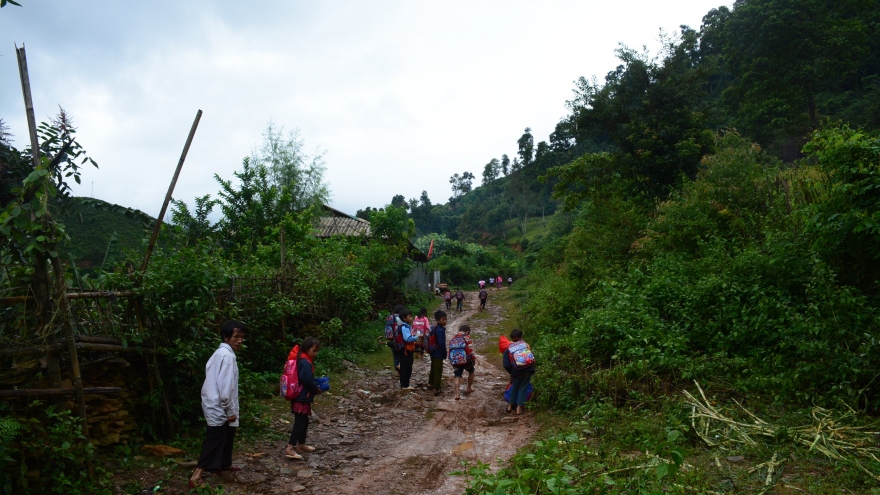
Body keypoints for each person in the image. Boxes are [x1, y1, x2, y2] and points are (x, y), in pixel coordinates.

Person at [190, 321, 245, 488]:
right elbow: (225, 388)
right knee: (215, 437)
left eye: (242, 337)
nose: (240, 340)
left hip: (214, 401)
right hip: (219, 404)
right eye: (236, 337)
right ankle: (197, 475)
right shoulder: (227, 357)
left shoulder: (220, 353)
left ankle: (223, 464)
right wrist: (229, 410)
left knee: (228, 434)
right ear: (226, 337)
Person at [284, 337, 324, 461]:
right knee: (300, 422)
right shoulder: (305, 362)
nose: (316, 354)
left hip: (299, 395)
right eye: (314, 351)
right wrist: (315, 389)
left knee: (304, 421)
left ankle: (301, 445)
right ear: (307, 349)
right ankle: (290, 448)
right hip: (301, 396)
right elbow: (305, 379)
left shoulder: (301, 359)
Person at [503, 329, 535, 415]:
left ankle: (510, 406)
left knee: (514, 387)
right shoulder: (526, 345)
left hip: (516, 371)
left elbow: (506, 364)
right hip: (528, 369)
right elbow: (530, 358)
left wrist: (511, 372)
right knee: (523, 388)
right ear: (522, 337)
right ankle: (519, 408)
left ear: (512, 338)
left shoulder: (509, 349)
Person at [448, 325, 476, 400]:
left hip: (456, 361)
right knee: (471, 371)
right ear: (467, 332)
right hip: (466, 361)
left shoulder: (453, 338)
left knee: (457, 376)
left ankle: (457, 394)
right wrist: (473, 359)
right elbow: (470, 350)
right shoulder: (467, 338)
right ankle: (469, 388)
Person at [397, 309, 420, 390]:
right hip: (406, 350)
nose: (411, 318)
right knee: (406, 367)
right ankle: (405, 385)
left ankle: (404, 384)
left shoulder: (403, 327)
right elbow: (407, 339)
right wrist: (416, 337)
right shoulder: (404, 328)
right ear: (404, 318)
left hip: (404, 350)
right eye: (409, 316)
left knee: (405, 367)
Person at [427, 310, 447, 395]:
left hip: (432, 351)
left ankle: (430, 383)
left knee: (433, 368)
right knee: (438, 370)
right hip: (438, 352)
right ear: (438, 320)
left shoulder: (433, 328)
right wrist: (445, 353)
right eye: (443, 319)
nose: (445, 321)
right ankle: (436, 388)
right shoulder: (441, 330)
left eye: (446, 319)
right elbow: (442, 343)